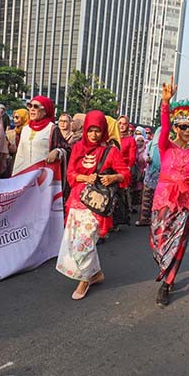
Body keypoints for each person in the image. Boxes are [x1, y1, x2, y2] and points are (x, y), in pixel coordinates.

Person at [56, 110, 130, 299]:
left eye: (98, 130)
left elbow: (125, 173)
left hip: (97, 205)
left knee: (84, 243)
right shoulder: (78, 148)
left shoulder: (111, 151)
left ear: (104, 130)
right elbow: (70, 174)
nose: (93, 134)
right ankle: (96, 274)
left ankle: (85, 279)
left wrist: (113, 177)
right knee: (74, 241)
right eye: (90, 130)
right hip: (76, 202)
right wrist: (85, 177)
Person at [150, 79, 189, 306]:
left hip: (185, 204)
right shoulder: (165, 146)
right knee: (159, 241)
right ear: (175, 128)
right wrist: (165, 102)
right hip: (163, 200)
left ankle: (167, 284)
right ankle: (164, 268)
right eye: (183, 126)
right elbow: (163, 126)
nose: (187, 131)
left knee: (178, 244)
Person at [11, 96, 69, 177]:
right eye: (30, 106)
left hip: (43, 176)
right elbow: (19, 154)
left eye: (36, 106)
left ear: (45, 111)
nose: (32, 109)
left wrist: (57, 151)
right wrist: (15, 175)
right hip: (24, 174)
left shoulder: (52, 129)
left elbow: (67, 149)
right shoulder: (25, 129)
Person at [136, 125, 162, 226]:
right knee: (146, 198)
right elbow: (145, 154)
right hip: (150, 174)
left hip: (161, 176)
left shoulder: (167, 146)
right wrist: (147, 158)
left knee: (157, 199)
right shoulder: (151, 144)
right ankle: (144, 219)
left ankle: (155, 220)